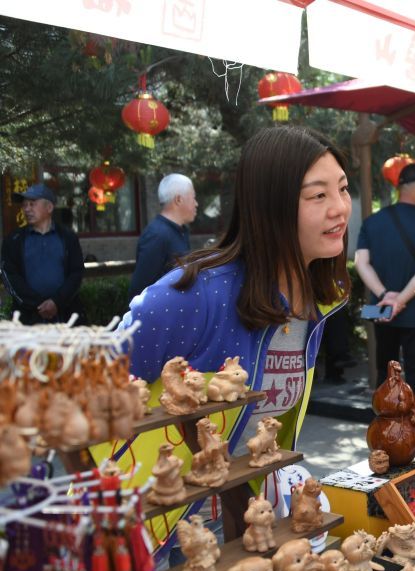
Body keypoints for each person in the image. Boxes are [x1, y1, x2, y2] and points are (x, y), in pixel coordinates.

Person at [89, 126, 351, 536]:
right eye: (318, 195)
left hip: (247, 519)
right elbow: (95, 389)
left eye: (343, 188)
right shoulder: (192, 295)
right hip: (162, 526)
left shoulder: (318, 300)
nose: (340, 208)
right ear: (270, 207)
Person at [355, 163, 415, 418]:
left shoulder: (371, 222)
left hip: (379, 308)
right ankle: (412, 432)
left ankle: (382, 424)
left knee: (384, 370)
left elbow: (361, 262)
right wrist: (401, 300)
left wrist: (385, 296)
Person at [1, 183, 84, 324]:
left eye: (32, 204)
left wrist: (56, 302)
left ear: (49, 207)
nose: (27, 209)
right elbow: (10, 275)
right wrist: (38, 304)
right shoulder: (14, 240)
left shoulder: (68, 237)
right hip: (27, 318)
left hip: (65, 316)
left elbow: (76, 272)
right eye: (24, 205)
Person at [128, 173, 198, 299]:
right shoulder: (157, 235)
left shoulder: (181, 231)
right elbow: (139, 291)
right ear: (178, 199)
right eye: (193, 198)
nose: (196, 204)